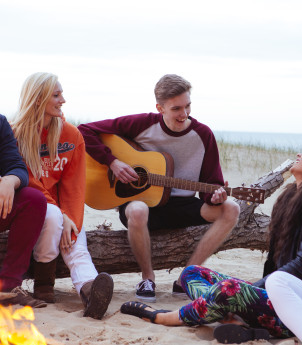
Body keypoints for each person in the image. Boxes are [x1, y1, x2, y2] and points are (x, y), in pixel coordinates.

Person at [120, 145, 302, 342]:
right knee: (191, 273)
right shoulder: (292, 197)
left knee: (229, 289)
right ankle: (236, 320)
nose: (300, 155)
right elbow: (275, 262)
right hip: (274, 296)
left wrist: (255, 289)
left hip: (298, 306)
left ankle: (167, 316)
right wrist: (255, 291)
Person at [78, 74, 241, 302]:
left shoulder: (203, 135)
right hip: (142, 203)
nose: (184, 114)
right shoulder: (142, 124)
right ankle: (147, 277)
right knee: (137, 210)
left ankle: (187, 276)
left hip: (183, 206)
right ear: (160, 107)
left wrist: (215, 196)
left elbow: (211, 183)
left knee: (231, 208)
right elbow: (85, 130)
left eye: (187, 106)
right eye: (176, 109)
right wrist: (113, 162)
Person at [11, 72, 113, 319]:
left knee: (75, 238)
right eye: (56, 95)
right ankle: (44, 283)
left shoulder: (71, 136)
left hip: (60, 209)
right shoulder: (15, 134)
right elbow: (28, 182)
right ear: (38, 99)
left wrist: (71, 220)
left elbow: (74, 187)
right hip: (28, 208)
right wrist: (61, 214)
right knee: (53, 215)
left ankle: (89, 290)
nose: (63, 100)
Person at [0, 114, 47, 308]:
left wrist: (10, 180)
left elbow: (17, 166)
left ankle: (8, 286)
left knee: (33, 199)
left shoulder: (1, 123)